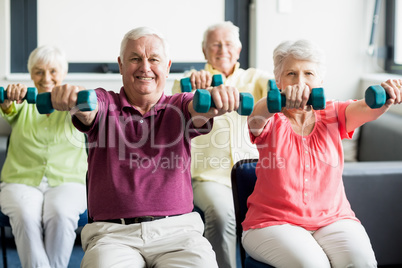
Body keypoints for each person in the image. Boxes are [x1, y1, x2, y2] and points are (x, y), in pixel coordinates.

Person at [49, 26, 241, 268]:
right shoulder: (104, 101)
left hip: (179, 234)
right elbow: (88, 109)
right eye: (135, 59)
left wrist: (215, 99)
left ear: (167, 66)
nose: (145, 67)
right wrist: (72, 97)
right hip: (112, 235)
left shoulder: (180, 105)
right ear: (120, 65)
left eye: (153, 59)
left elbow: (200, 109)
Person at [243, 39, 402, 267]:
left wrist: (387, 96)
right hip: (272, 223)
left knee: (362, 262)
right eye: (291, 73)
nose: (301, 82)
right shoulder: (270, 119)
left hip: (333, 219)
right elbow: (257, 115)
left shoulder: (333, 113)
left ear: (320, 80)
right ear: (278, 81)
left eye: (308, 73)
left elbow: (367, 108)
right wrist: (280, 101)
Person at [171, 21, 272, 268]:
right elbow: (173, 120)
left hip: (254, 173)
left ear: (238, 50)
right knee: (221, 214)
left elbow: (278, 89)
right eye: (215, 44)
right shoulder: (188, 81)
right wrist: (194, 92)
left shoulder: (256, 78)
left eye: (228, 44)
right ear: (205, 51)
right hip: (208, 176)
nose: (222, 50)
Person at [0, 45, 88, 268]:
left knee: (60, 213)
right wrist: (8, 99)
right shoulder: (23, 104)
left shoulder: (74, 104)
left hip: (68, 181)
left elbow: (90, 116)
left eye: (53, 71)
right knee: (25, 215)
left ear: (63, 73)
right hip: (21, 180)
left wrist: (76, 98)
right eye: (39, 71)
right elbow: (8, 108)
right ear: (31, 74)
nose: (46, 78)